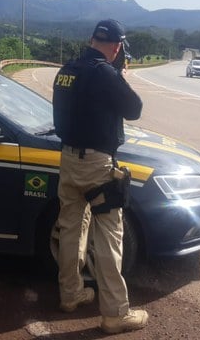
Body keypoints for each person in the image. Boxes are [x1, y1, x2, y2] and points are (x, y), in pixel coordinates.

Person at [52, 19, 147, 334]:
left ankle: (70, 294)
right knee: (108, 236)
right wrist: (120, 76)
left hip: (67, 159)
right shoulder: (105, 73)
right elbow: (134, 108)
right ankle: (115, 313)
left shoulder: (67, 69)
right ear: (117, 46)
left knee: (70, 228)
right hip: (97, 164)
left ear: (92, 39)